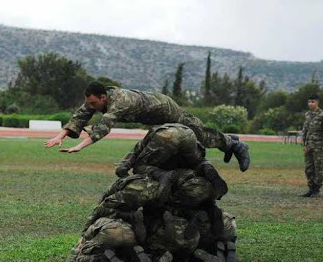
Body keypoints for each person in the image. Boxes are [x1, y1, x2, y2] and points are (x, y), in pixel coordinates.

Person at [45, 82, 250, 172]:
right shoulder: (96, 99)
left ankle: (235, 145)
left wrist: (80, 146)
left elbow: (104, 126)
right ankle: (230, 141)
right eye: (89, 103)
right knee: (196, 133)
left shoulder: (120, 101)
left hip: (164, 109)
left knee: (198, 135)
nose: (91, 107)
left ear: (103, 97)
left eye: (93, 103)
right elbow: (81, 115)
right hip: (154, 117)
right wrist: (60, 136)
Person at [300, 93, 323, 197]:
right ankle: (310, 188)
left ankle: (316, 189)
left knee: (319, 168)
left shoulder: (321, 115)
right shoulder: (307, 115)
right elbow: (305, 128)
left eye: (313, 102)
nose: (310, 104)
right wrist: (303, 140)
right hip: (309, 145)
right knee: (309, 168)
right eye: (309, 102)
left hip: (319, 146)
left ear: (317, 103)